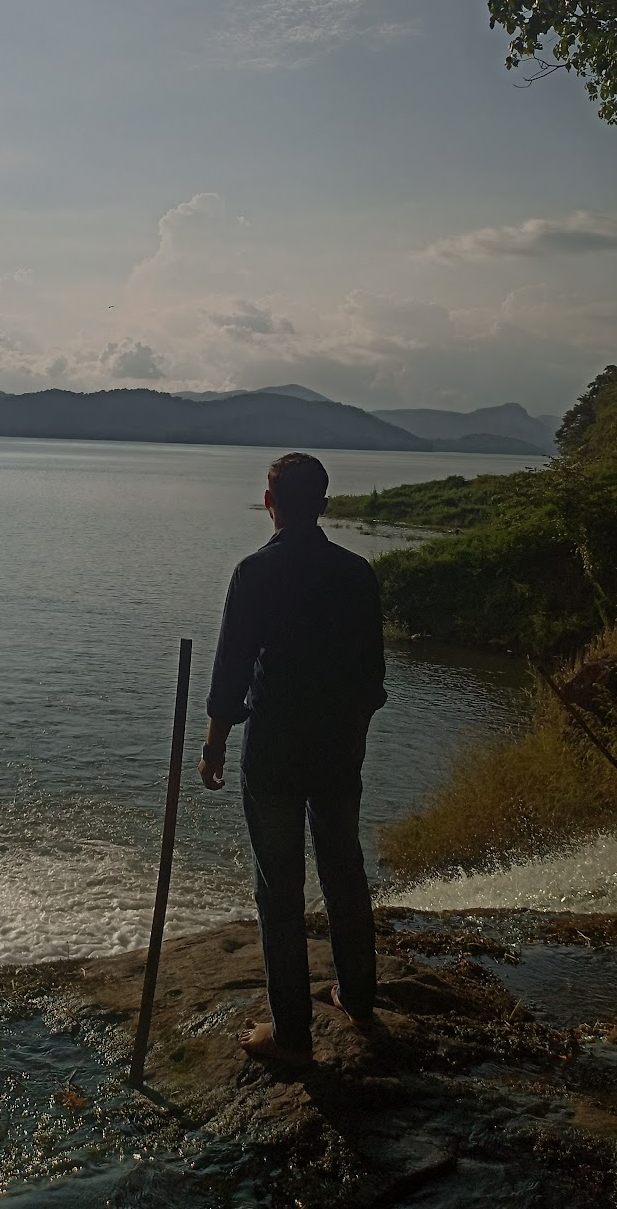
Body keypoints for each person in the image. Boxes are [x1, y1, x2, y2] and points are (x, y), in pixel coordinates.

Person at [199, 452, 386, 1070]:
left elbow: (231, 667)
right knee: (343, 867)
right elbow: (371, 680)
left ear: (270, 502)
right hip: (337, 748)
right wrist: (353, 736)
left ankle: (291, 1033)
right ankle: (358, 996)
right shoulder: (358, 574)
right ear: (325, 505)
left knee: (279, 885)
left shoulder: (256, 572)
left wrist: (214, 740)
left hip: (274, 747)